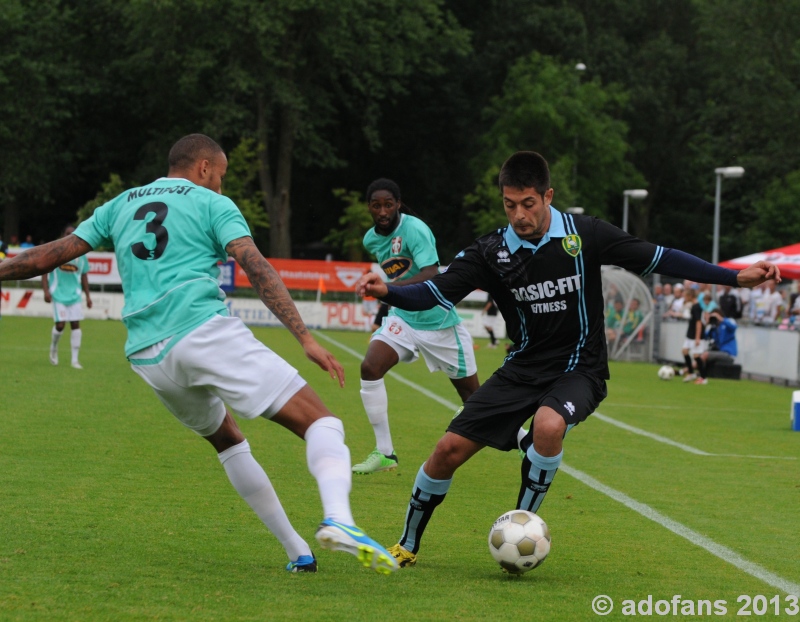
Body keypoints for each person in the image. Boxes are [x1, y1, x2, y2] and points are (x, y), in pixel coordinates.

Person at [356, 151, 779, 568]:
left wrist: (733, 276)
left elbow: (658, 256)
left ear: (548, 196)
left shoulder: (586, 235)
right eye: (509, 205)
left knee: (548, 423)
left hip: (581, 368)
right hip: (521, 367)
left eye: (528, 203)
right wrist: (388, 292)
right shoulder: (491, 251)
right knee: (447, 450)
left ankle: (523, 524)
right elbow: (437, 290)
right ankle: (407, 544)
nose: (518, 214)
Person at [0, 134, 397, 575]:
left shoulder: (120, 204)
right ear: (204, 167)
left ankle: (298, 551)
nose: (221, 187)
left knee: (228, 440)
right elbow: (256, 264)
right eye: (221, 176)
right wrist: (304, 336)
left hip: (149, 357)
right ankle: (340, 518)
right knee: (323, 422)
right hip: (200, 330)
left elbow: (47, 257)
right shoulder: (213, 204)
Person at [353, 178, 480, 475]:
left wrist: (386, 289)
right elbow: (395, 275)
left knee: (475, 402)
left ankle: (527, 443)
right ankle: (385, 452)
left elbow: (431, 274)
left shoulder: (416, 229)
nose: (382, 211)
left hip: (438, 322)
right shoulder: (370, 239)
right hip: (403, 319)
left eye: (388, 204)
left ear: (398, 204)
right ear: (369, 207)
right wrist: (390, 295)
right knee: (370, 368)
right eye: (376, 205)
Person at [42, 226, 93, 369]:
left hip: (75, 295)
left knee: (76, 325)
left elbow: (84, 276)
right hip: (58, 294)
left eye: (72, 234)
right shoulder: (57, 252)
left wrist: (88, 296)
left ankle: (75, 360)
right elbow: (45, 271)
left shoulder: (82, 256)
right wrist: (46, 291)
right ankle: (54, 347)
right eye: (67, 233)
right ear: (63, 235)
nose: (70, 235)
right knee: (60, 325)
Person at [681, 288, 707, 384]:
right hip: (690, 334)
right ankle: (691, 373)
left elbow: (699, 322)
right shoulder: (693, 306)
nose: (684, 297)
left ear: (690, 296)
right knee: (684, 351)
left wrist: (697, 337)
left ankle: (703, 378)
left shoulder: (697, 307)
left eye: (685, 295)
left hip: (696, 335)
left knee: (696, 356)